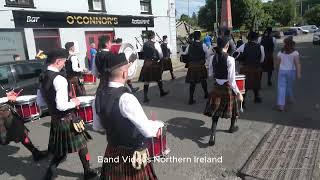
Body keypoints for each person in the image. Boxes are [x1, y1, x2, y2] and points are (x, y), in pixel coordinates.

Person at [93, 48, 163, 179]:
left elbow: (97, 127)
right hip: (132, 153)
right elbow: (148, 131)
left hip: (112, 150)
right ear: (124, 74)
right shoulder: (126, 98)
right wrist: (158, 125)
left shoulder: (98, 96)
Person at [38, 49, 97, 180]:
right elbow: (61, 105)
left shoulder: (42, 76)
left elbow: (40, 101)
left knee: (60, 150)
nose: (64, 65)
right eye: (64, 62)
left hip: (55, 119)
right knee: (82, 146)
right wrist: (74, 102)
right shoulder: (59, 79)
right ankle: (87, 172)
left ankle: (50, 173)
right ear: (58, 61)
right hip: (67, 118)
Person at [208, 37, 243, 146]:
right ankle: (232, 128)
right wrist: (238, 92)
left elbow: (210, 74)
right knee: (233, 108)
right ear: (227, 46)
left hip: (217, 86)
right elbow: (232, 80)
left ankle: (212, 135)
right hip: (227, 86)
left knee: (216, 111)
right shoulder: (230, 59)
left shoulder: (212, 58)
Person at [0, 91, 47, 161]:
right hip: (3, 115)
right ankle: (36, 153)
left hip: (6, 112)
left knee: (21, 133)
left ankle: (35, 153)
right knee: (16, 134)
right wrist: (8, 98)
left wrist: (7, 95)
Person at [139, 31, 169, 103]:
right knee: (158, 78)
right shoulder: (156, 44)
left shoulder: (144, 44)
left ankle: (145, 97)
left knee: (146, 80)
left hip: (146, 63)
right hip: (154, 63)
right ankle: (162, 92)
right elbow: (160, 54)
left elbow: (141, 52)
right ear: (153, 36)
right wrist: (160, 59)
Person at [237, 31, 265, 105]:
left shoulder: (243, 46)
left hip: (245, 68)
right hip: (256, 68)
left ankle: (243, 101)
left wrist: (241, 60)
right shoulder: (261, 47)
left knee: (245, 86)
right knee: (256, 84)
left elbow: (236, 54)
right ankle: (256, 97)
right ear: (256, 38)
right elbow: (262, 59)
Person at [181, 30, 209, 105]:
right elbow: (207, 55)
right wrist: (205, 60)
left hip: (192, 66)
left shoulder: (189, 46)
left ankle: (191, 98)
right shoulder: (203, 45)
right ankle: (206, 94)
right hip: (200, 65)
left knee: (192, 82)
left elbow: (184, 54)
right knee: (203, 80)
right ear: (200, 37)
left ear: (194, 37)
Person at [275, 36, 301, 112]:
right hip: (291, 71)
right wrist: (298, 73)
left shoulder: (280, 52)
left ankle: (281, 105)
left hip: (282, 71)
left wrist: (277, 70)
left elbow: (277, 63)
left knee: (281, 87)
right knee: (289, 86)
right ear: (292, 44)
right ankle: (290, 98)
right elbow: (297, 64)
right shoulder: (295, 53)